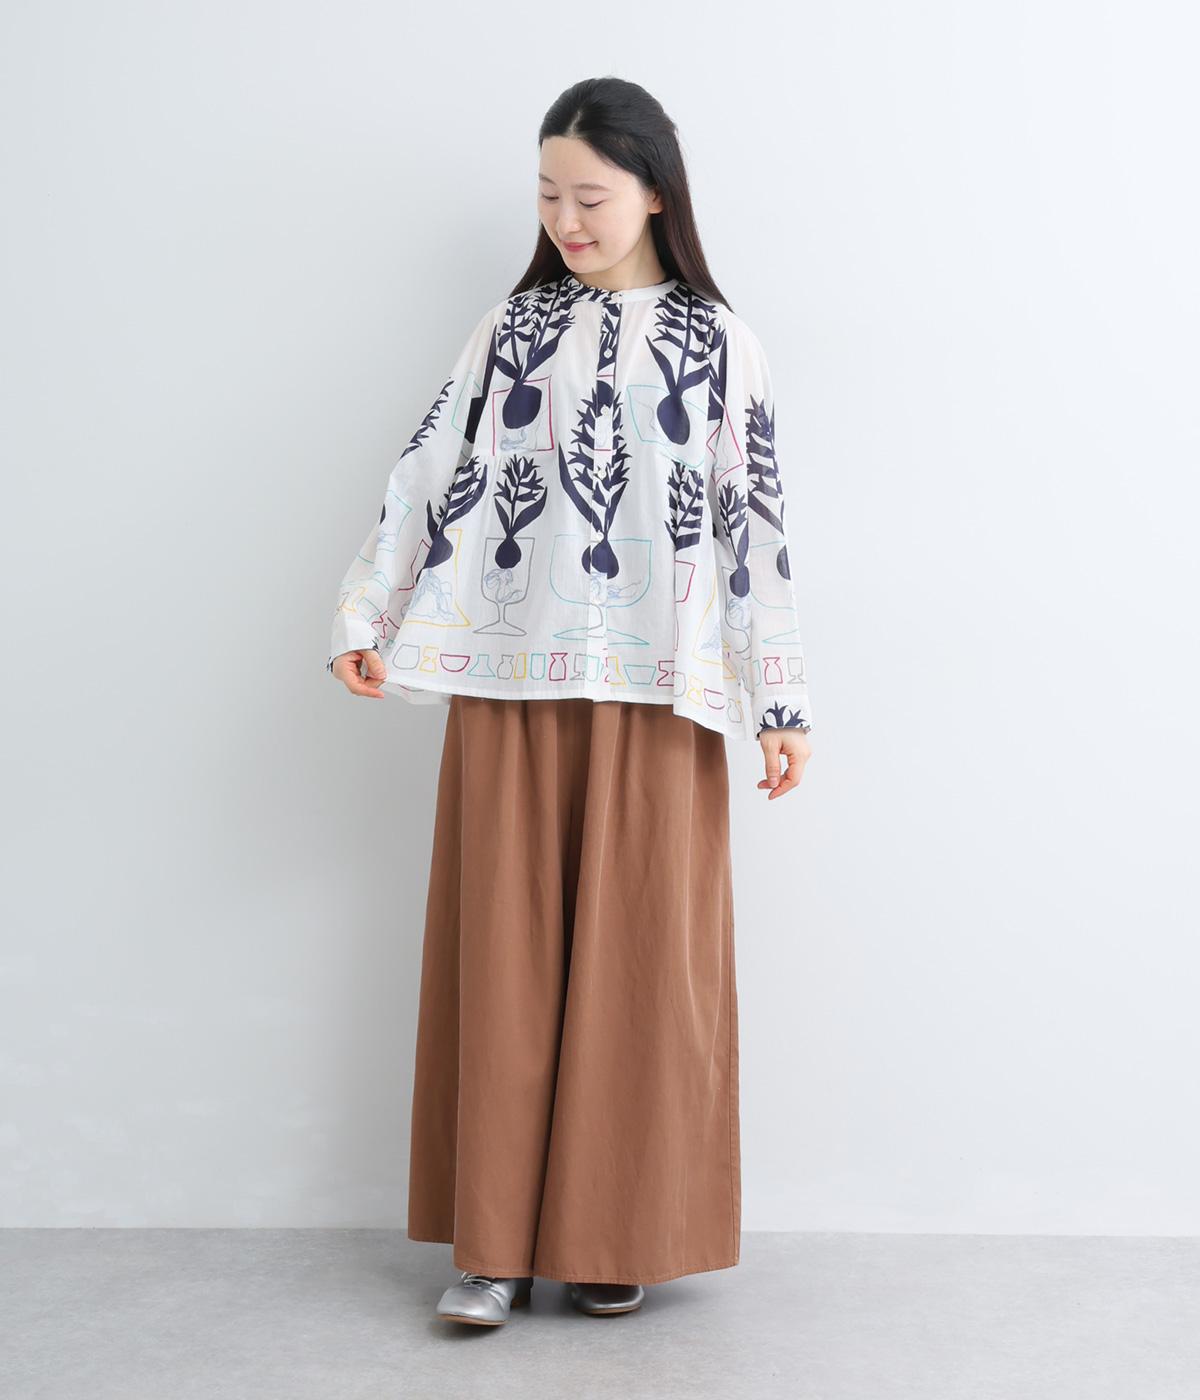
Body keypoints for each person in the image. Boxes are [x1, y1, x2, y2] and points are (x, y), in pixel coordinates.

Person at [326, 76, 814, 1328]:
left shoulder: (720, 344)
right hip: (509, 672)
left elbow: (755, 524)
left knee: (642, 968)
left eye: (589, 195)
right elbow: (429, 467)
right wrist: (367, 613)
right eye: (548, 195)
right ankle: (492, 1245)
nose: (566, 220)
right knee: (504, 959)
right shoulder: (512, 329)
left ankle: (613, 1234)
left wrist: (780, 699)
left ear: (654, 191)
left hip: (660, 688)